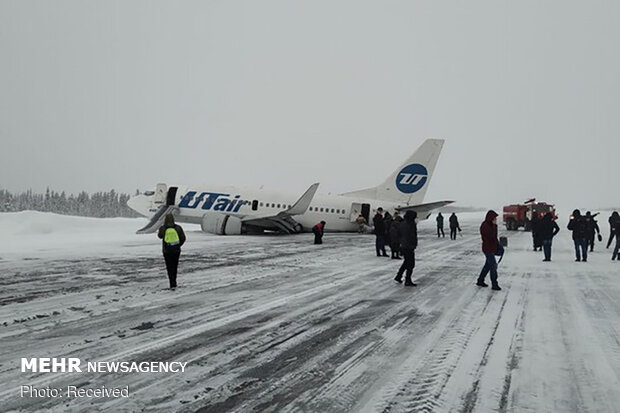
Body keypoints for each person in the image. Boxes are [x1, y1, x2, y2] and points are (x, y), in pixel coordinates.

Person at [157, 213, 186, 290]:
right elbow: (183, 238)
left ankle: (171, 282)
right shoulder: (178, 228)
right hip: (176, 251)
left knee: (169, 267)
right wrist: (177, 245)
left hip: (167, 251)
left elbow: (160, 236)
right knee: (175, 266)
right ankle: (174, 282)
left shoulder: (163, 228)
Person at [476, 210, 502, 291]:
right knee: (493, 266)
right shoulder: (485, 226)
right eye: (494, 219)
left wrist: (498, 246)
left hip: (492, 248)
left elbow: (495, 238)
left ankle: (480, 280)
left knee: (487, 266)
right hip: (488, 249)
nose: (496, 220)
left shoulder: (492, 226)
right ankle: (494, 283)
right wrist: (494, 227)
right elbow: (490, 236)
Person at [394, 210, 418, 286]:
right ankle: (407, 279)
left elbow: (399, 234)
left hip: (404, 246)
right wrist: (413, 244)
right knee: (411, 264)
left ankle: (399, 276)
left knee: (406, 262)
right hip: (408, 246)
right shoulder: (410, 224)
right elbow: (411, 236)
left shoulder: (403, 223)